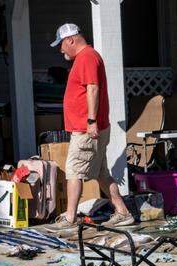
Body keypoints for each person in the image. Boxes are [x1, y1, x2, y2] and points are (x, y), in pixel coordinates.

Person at [46, 23, 133, 233]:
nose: (61, 50)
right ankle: (123, 213)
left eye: (62, 45)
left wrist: (91, 121)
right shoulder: (87, 57)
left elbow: (92, 88)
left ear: (71, 40)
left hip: (87, 129)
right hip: (90, 127)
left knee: (74, 170)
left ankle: (70, 218)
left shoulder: (86, 57)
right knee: (102, 173)